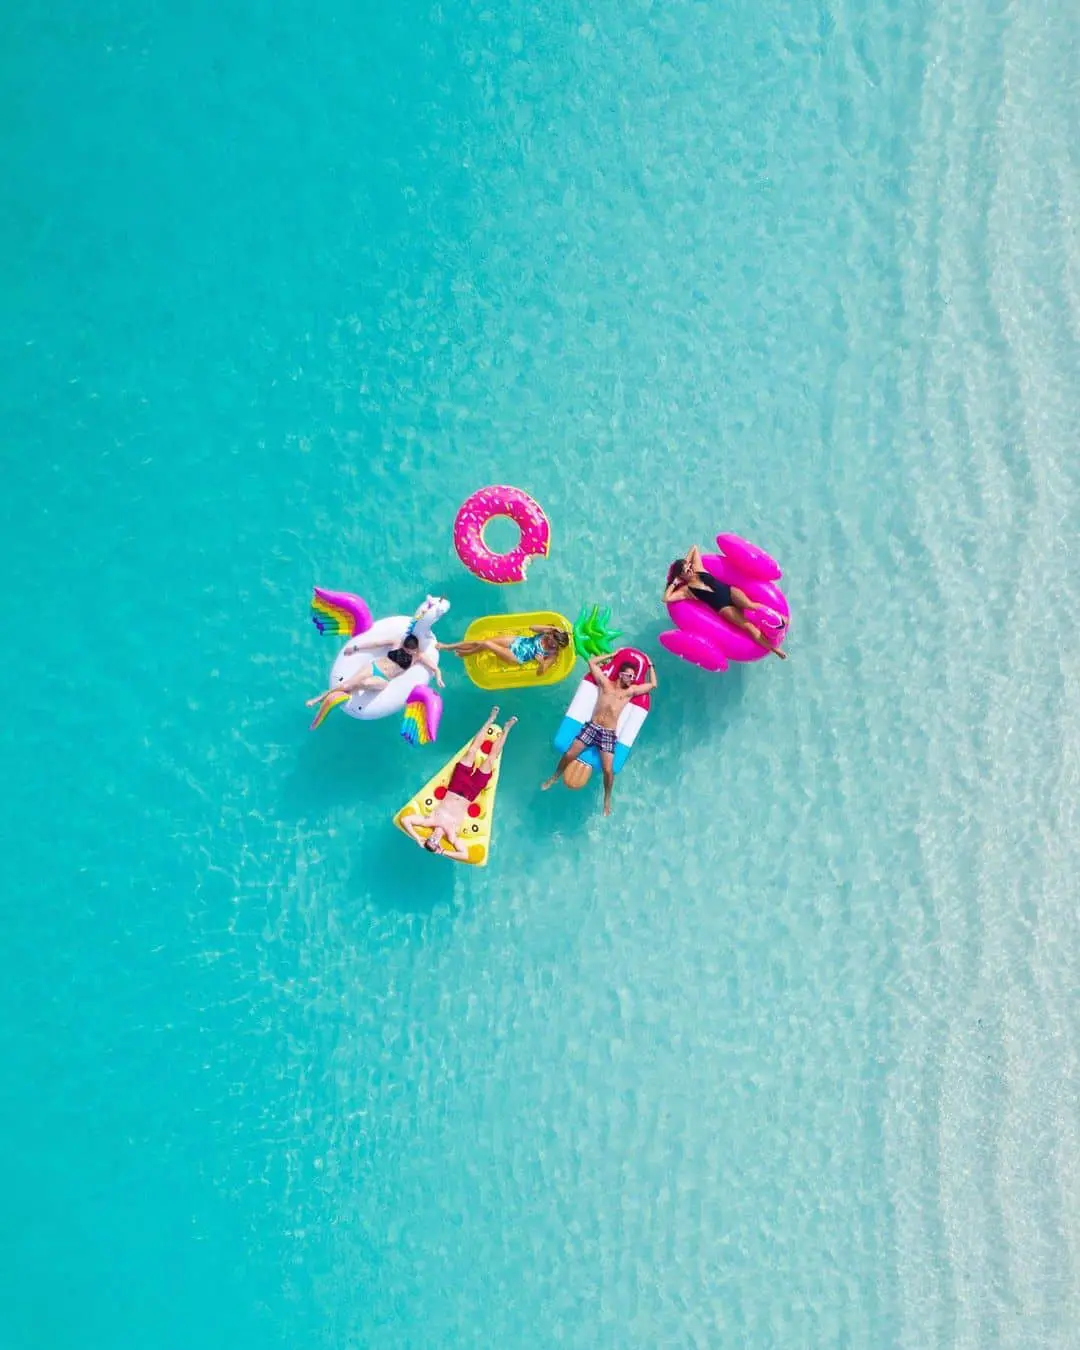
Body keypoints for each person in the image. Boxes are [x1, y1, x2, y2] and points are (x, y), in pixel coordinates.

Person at [541, 656, 657, 816]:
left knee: (608, 770)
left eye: (633, 677)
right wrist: (613, 655)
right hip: (592, 727)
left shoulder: (630, 692)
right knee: (569, 754)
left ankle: (607, 799)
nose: (632, 679)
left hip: (608, 734)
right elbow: (591, 663)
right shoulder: (605, 684)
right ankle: (554, 777)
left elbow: (653, 685)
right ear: (621, 674)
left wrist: (650, 665)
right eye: (629, 676)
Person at [399, 708, 517, 859]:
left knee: (472, 751)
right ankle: (507, 728)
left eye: (430, 840)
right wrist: (443, 852)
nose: (433, 839)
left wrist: (417, 839)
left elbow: (405, 820)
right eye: (435, 843)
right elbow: (465, 854)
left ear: (428, 838)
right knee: (490, 759)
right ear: (438, 844)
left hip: (455, 785)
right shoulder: (451, 835)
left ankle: (490, 719)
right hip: (471, 793)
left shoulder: (430, 821)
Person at [664, 545, 787, 659]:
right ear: (682, 576)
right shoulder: (687, 590)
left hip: (730, 592)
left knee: (752, 605)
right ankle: (775, 650)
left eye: (689, 567)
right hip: (724, 607)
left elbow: (694, 548)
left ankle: (781, 618)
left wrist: (685, 563)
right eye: (686, 571)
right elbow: (666, 598)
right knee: (748, 626)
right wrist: (675, 582)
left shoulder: (698, 568)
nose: (690, 570)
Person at [305, 632, 444, 720]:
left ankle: (345, 692)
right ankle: (319, 699)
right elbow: (376, 644)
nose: (409, 653)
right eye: (407, 650)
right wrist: (355, 648)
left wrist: (438, 678)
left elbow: (435, 668)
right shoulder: (397, 642)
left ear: (416, 648)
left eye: (412, 651)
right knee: (347, 684)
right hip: (374, 667)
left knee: (364, 683)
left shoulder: (419, 656)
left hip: (384, 679)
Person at [438, 625, 570, 678]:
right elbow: (532, 627)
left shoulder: (552, 654)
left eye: (556, 645)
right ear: (552, 634)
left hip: (516, 656)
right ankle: (448, 646)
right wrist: (549, 628)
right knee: (479, 642)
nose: (552, 644)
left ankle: (467, 653)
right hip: (517, 641)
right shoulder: (547, 632)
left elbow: (540, 673)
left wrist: (541, 662)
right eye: (553, 640)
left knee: (486, 644)